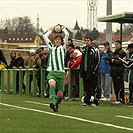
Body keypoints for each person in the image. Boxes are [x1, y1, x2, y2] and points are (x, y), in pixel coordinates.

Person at [43, 25, 69, 112]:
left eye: (59, 40)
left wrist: (63, 28)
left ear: (61, 41)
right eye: (56, 40)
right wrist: (52, 30)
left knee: (60, 95)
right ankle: (53, 102)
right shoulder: (51, 46)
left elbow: (67, 34)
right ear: (54, 41)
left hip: (61, 73)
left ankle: (56, 104)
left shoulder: (63, 47)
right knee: (52, 84)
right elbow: (45, 36)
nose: (57, 41)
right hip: (52, 72)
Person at [80, 36, 100, 107]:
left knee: (94, 87)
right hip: (85, 72)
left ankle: (95, 101)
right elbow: (82, 61)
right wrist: (81, 71)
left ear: (91, 41)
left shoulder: (95, 50)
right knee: (86, 87)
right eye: (85, 40)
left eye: (88, 40)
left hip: (92, 73)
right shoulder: (84, 50)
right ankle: (87, 101)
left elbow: (97, 61)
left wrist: (94, 71)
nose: (87, 42)